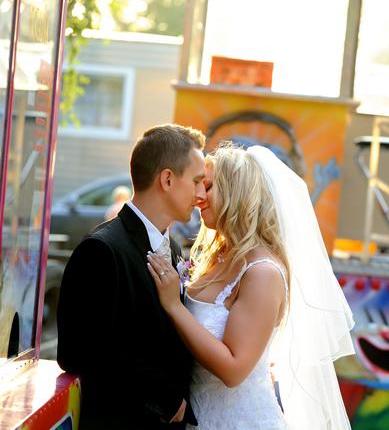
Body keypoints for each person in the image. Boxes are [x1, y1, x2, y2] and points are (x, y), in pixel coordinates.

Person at [148, 143, 355, 429]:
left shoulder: (262, 272)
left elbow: (234, 370)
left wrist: (173, 305)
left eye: (208, 187)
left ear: (237, 192)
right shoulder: (217, 256)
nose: (198, 196)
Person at [56, 123, 207, 429]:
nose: (201, 194)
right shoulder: (101, 250)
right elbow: (79, 351)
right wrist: (165, 399)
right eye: (196, 181)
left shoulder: (173, 249)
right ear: (167, 179)